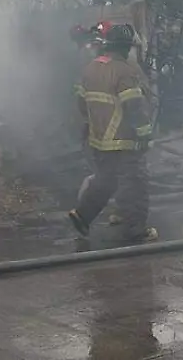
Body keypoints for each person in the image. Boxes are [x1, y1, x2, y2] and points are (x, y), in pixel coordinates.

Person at [69, 24, 158, 243]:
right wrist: (145, 134)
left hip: (99, 140)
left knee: (105, 180)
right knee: (135, 183)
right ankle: (136, 230)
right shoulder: (124, 71)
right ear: (126, 47)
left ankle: (82, 216)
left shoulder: (90, 68)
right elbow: (134, 108)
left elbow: (81, 104)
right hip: (123, 139)